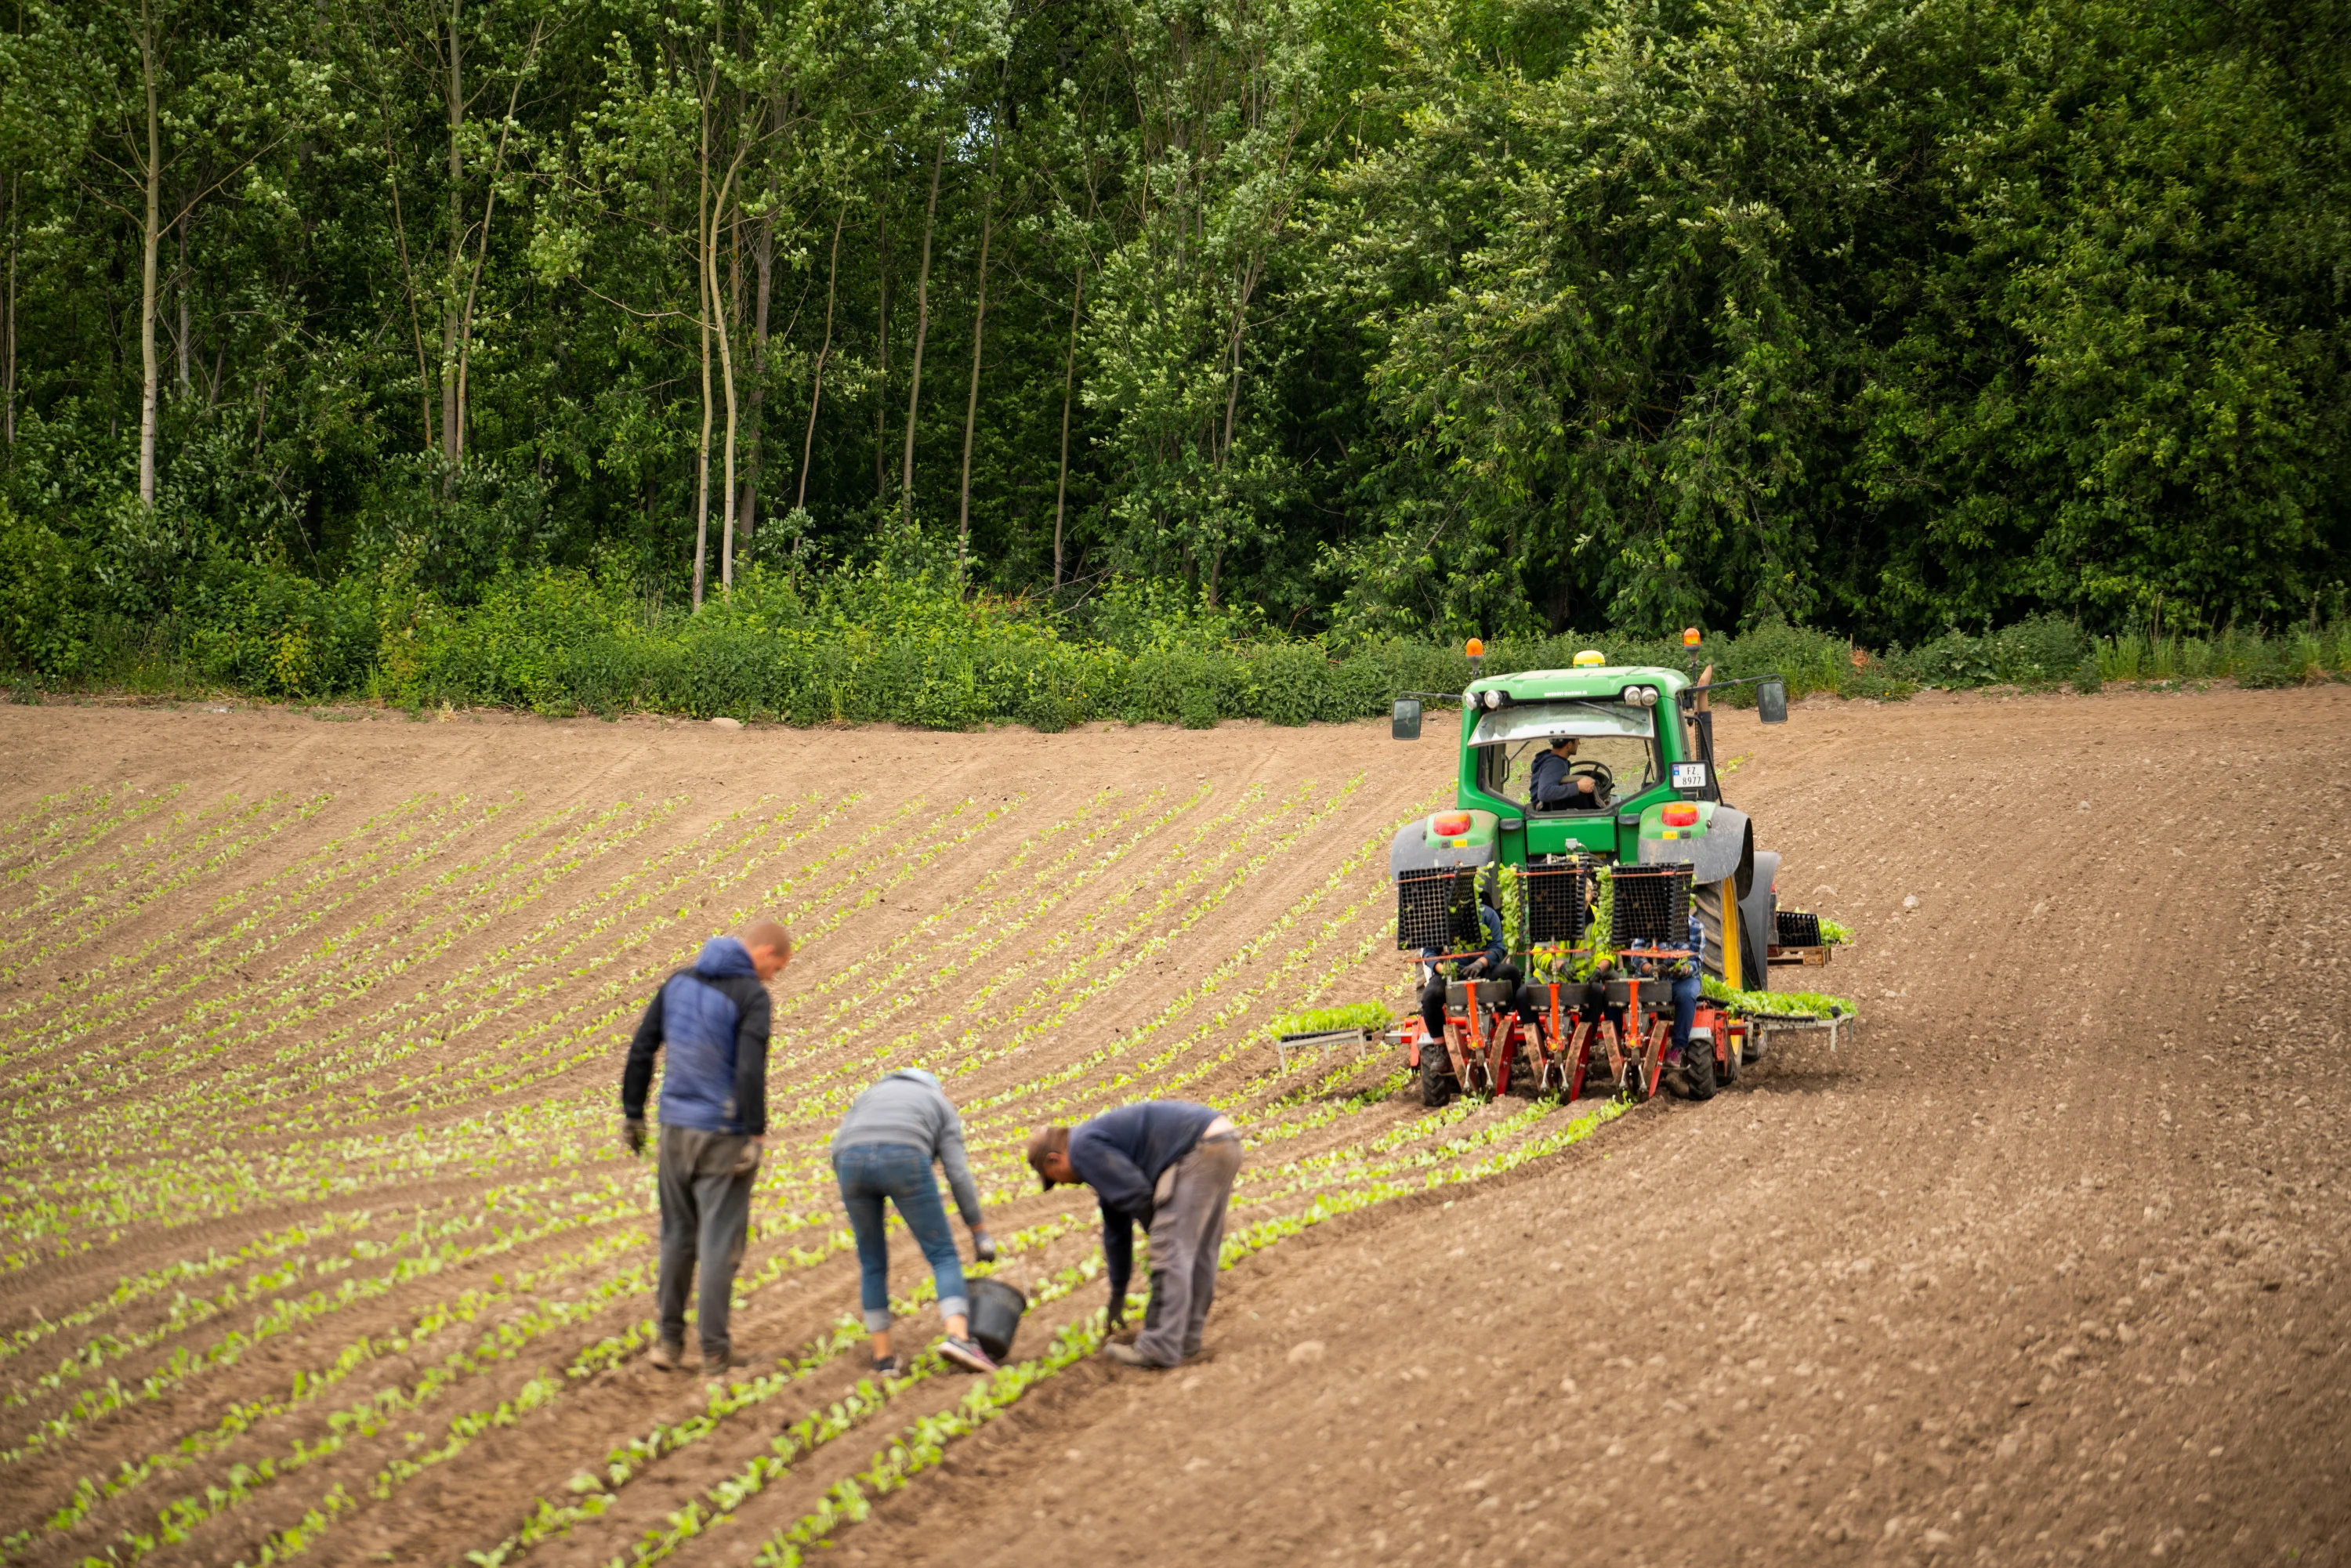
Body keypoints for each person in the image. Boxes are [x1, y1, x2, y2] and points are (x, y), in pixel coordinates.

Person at [621, 919, 793, 1374]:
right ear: (763, 952)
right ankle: (715, 1352)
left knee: (677, 1236)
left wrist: (633, 1113)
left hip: (675, 1130)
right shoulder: (751, 995)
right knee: (720, 1243)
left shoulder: (678, 982)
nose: (774, 976)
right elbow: (750, 1068)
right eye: (778, 966)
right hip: (723, 1134)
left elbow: (642, 1048)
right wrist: (754, 1134)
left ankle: (668, 1344)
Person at [1026, 1100, 1244, 1370]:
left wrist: (1161, 1235)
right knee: (1199, 1252)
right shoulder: (1094, 1147)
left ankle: (1160, 1347)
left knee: (1171, 1251)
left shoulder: (1082, 1149)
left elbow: (1137, 1194)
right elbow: (1116, 1228)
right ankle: (1186, 1341)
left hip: (1199, 1150)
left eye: (1055, 1178)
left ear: (1054, 1159)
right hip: (1223, 1142)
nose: (1062, 1183)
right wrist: (1118, 1293)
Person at [831, 1069, 1001, 1377]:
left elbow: (837, 1144)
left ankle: (883, 1359)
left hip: (849, 1161)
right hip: (904, 1156)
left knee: (872, 1263)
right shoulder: (938, 1102)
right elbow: (957, 1173)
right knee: (943, 1254)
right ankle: (958, 1338)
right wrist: (979, 1231)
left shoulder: (869, 1096)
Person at [1530, 735, 1601, 811]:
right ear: (1569, 745)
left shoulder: (1550, 759)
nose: (1579, 743)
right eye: (1577, 740)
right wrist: (1578, 786)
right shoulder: (1555, 763)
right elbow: (1544, 793)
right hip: (1546, 812)